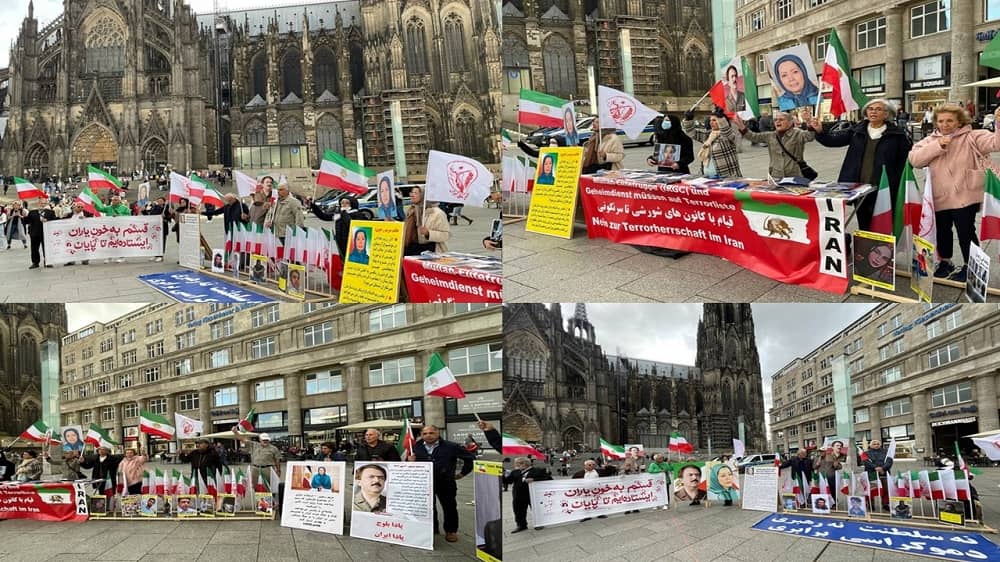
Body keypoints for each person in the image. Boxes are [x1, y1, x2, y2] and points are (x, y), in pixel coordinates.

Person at [909, 104, 1000, 282]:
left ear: (960, 121)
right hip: (939, 196)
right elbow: (915, 160)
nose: (945, 124)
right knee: (942, 231)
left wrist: (999, 123)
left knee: (966, 231)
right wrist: (937, 146)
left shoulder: (973, 136)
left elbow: (996, 143)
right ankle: (945, 261)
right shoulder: (929, 140)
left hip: (965, 195)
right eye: (941, 121)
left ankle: (971, 265)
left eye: (950, 120)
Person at [808, 98, 912, 231]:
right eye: (870, 109)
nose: (873, 112)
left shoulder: (897, 135)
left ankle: (880, 249)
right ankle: (865, 249)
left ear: (887, 114)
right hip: (859, 186)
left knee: (883, 222)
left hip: (884, 187)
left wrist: (897, 182)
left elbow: (905, 161)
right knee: (863, 222)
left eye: (878, 109)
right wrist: (820, 131)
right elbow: (833, 141)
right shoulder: (857, 130)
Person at [405, 425, 475, 542]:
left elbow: (470, 458)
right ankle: (433, 528)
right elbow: (409, 464)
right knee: (428, 507)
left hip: (446, 483)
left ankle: (451, 531)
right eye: (425, 433)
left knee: (449, 507)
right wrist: (410, 461)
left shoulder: (451, 446)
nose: (428, 435)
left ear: (438, 433)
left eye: (431, 433)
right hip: (424, 483)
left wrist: (462, 473)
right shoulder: (415, 447)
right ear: (421, 435)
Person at [735, 110, 816, 179]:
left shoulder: (797, 133)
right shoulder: (770, 135)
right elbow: (753, 136)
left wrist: (809, 121)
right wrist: (741, 126)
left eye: (781, 119)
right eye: (775, 120)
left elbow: (810, 136)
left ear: (790, 122)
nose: (777, 121)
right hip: (776, 176)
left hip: (795, 175)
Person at [682, 107, 742, 178]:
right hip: (707, 178)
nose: (711, 122)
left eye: (714, 120)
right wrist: (688, 119)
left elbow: (726, 132)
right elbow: (691, 132)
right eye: (710, 120)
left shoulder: (728, 135)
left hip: (727, 178)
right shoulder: (708, 135)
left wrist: (721, 119)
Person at [505, 456, 552, 532]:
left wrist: (534, 479)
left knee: (536, 510)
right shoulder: (515, 472)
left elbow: (549, 479)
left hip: (532, 495)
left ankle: (539, 524)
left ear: (524, 463)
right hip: (518, 495)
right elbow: (508, 481)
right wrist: (502, 474)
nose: (516, 465)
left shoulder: (538, 470)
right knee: (518, 511)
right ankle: (521, 525)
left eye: (517, 464)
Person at [403, 186, 450, 255]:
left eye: (415, 193)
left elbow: (445, 235)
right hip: (412, 248)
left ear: (423, 195)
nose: (412, 195)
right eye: (412, 192)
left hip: (430, 251)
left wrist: (428, 233)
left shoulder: (437, 213)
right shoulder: (412, 210)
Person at [862, 438, 893, 510]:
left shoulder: (886, 452)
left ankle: (885, 504)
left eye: (878, 444)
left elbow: (889, 461)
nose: (876, 445)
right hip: (871, 473)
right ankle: (870, 504)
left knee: (885, 490)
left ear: (880, 445)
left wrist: (883, 468)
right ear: (870, 445)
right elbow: (866, 462)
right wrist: (875, 468)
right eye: (874, 444)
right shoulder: (866, 453)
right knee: (871, 489)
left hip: (884, 473)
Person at [813, 440, 846, 505]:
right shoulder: (817, 458)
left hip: (831, 477)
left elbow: (839, 467)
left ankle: (834, 503)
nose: (821, 453)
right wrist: (817, 464)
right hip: (821, 477)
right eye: (820, 451)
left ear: (825, 451)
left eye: (822, 451)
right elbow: (814, 467)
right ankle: (824, 502)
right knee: (822, 490)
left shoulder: (831, 457)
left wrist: (836, 465)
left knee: (832, 490)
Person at [25, 200, 56, 269]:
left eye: (44, 203)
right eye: (41, 203)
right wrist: (24, 216)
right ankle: (35, 263)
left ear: (46, 204)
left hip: (46, 233)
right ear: (38, 204)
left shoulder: (50, 212)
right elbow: (26, 221)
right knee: (34, 249)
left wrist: (47, 220)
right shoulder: (32, 212)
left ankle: (47, 262)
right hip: (34, 233)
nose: (42, 204)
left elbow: (54, 221)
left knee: (46, 248)